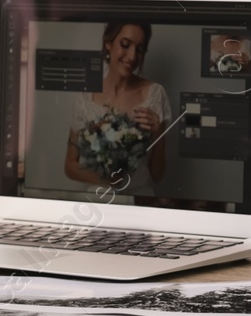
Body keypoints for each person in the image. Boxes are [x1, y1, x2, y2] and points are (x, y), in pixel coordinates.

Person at [62, 22, 170, 193]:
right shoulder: (85, 97)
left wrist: (157, 133)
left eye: (140, 49)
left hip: (139, 200)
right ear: (108, 43)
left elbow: (158, 175)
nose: (132, 56)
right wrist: (106, 179)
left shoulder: (155, 94)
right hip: (98, 200)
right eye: (125, 45)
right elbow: (70, 165)